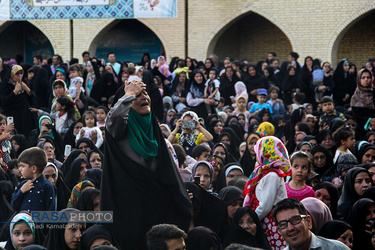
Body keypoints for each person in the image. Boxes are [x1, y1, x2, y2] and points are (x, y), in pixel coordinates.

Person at [101, 80, 192, 249]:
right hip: (129, 208)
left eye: (145, 93)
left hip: (156, 208)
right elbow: (113, 119)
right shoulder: (120, 128)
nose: (143, 98)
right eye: (138, 95)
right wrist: (128, 95)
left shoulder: (153, 130)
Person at [243, 136, 291, 249]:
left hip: (270, 223)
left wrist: (251, 220)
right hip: (264, 220)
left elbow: (265, 206)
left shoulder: (272, 176)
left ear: (266, 153)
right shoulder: (264, 173)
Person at [272, 198, 350, 250]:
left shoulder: (336, 248)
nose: (290, 228)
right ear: (279, 231)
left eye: (295, 220)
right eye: (283, 224)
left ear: (308, 221)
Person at [11, 147, 55, 212]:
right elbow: (13, 206)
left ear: (34, 168)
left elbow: (50, 212)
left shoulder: (47, 187)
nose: (20, 169)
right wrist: (21, 191)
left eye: (23, 166)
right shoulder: (22, 185)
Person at [0, 65, 37, 138]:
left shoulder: (24, 83)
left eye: (21, 73)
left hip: (25, 117)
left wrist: (28, 90)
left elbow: (33, 101)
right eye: (17, 74)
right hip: (13, 116)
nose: (19, 76)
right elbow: (4, 102)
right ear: (12, 75)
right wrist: (14, 92)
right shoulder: (5, 86)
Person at [351, 68, 375, 140]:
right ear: (359, 79)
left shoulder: (374, 93)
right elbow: (356, 116)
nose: (366, 80)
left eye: (368, 77)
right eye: (363, 78)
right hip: (362, 130)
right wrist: (370, 120)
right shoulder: (356, 96)